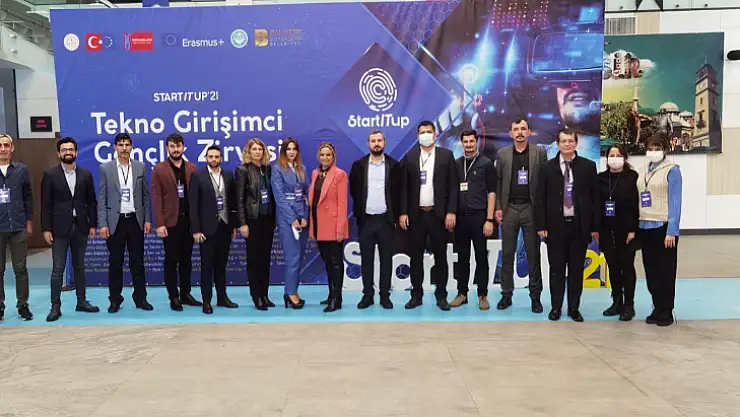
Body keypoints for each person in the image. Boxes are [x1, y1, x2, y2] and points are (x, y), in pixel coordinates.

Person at [536, 128, 599, 322]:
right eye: (563, 141)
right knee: (556, 269)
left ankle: (574, 308)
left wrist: (594, 227)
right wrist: (541, 225)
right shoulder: (547, 168)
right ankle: (556, 307)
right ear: (557, 144)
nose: (567, 144)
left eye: (570, 140)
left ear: (576, 142)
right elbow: (540, 198)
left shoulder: (588, 167)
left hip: (579, 227)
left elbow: (595, 199)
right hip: (555, 227)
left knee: (576, 270)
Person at [399, 120, 458, 311]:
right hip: (416, 215)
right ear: (418, 135)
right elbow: (404, 188)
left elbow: (453, 186)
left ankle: (441, 296)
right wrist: (403, 212)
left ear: (435, 134)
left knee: (441, 257)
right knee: (415, 257)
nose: (425, 134)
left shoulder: (446, 155)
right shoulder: (410, 157)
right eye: (422, 132)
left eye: (428, 131)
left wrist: (451, 211)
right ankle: (416, 296)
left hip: (438, 215)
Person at [41, 137, 99, 322]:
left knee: (80, 267)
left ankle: (81, 301)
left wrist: (93, 224)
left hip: (81, 227)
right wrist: (46, 228)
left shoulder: (85, 174)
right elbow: (45, 204)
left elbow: (92, 202)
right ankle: (55, 306)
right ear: (58, 153)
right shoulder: (50, 175)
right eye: (64, 150)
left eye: (71, 149)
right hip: (58, 228)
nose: (68, 152)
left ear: (76, 152)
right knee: (58, 269)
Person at [494, 119, 547, 313]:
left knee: (533, 254)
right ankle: (506, 294)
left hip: (530, 209)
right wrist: (498, 207)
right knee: (508, 253)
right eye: (516, 129)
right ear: (510, 133)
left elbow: (544, 183)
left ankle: (535, 297)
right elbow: (498, 182)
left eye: (523, 129)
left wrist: (542, 212)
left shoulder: (539, 153)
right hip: (509, 208)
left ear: (529, 132)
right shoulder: (502, 154)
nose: (520, 132)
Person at [98, 133, 152, 313]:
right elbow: (102, 197)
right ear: (115, 147)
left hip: (135, 220)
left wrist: (147, 219)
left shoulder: (140, 167)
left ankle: (141, 298)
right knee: (115, 263)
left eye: (127, 145)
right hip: (116, 221)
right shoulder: (105, 168)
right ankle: (115, 300)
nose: (124, 148)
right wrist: (103, 224)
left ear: (131, 147)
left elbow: (146, 196)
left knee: (138, 262)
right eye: (120, 145)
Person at [349, 129, 400, 310]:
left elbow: (398, 192)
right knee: (367, 260)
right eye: (373, 141)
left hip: (386, 221)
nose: (376, 144)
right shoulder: (359, 166)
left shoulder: (394, 165)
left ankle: (385, 295)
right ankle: (368, 295)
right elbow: (354, 191)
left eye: (379, 140)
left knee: (387, 260)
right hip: (366, 221)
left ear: (384, 142)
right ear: (368, 144)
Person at [151, 133, 201, 312]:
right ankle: (173, 296)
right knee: (171, 260)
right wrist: (160, 223)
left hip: (188, 222)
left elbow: (197, 197)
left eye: (178, 146)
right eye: (172, 146)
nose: (176, 149)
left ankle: (185, 294)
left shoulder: (192, 168)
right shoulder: (159, 169)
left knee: (187, 260)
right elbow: (157, 198)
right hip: (170, 222)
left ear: (183, 147)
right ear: (167, 148)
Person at [638, 135, 682, 327]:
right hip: (644, 225)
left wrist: (672, 230)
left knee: (666, 270)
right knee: (651, 270)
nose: (654, 151)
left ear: (665, 150)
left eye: (658, 148)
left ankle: (667, 309)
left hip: (663, 228)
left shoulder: (672, 170)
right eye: (651, 147)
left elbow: (675, 201)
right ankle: (656, 306)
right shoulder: (643, 170)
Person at [190, 145, 239, 314]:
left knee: (221, 265)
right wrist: (196, 230)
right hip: (206, 229)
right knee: (207, 266)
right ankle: (206, 301)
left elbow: (232, 203)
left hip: (225, 227)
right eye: (210, 156)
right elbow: (193, 205)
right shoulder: (198, 176)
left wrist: (233, 226)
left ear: (221, 158)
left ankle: (222, 298)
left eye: (216, 156)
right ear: (206, 158)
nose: (213, 159)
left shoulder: (228, 175)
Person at [451, 129, 496, 310]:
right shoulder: (456, 164)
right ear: (461, 143)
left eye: (471, 141)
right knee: (462, 258)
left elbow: (492, 192)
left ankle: (483, 295)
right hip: (461, 218)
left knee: (481, 258)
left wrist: (489, 219)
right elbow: (452, 191)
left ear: (476, 142)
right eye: (466, 141)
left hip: (479, 217)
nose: (469, 145)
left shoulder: (486, 163)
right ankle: (462, 294)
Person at [598, 144, 639, 321]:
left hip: (627, 230)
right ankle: (616, 301)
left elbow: (637, 204)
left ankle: (629, 304)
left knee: (627, 267)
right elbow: (596, 205)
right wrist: (596, 229)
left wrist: (633, 229)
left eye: (618, 155)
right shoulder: (600, 178)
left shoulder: (633, 177)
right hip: (607, 230)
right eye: (611, 155)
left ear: (624, 157)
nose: (614, 158)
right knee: (613, 267)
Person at [236, 138, 277, 311]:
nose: (258, 152)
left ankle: (265, 294)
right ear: (249, 152)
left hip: (268, 219)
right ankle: (256, 296)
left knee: (265, 259)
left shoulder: (268, 169)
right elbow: (239, 199)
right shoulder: (243, 170)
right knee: (254, 259)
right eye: (254, 149)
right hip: (252, 220)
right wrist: (242, 223)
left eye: (260, 149)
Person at [308, 142, 348, 313]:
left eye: (328, 155)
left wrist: (340, 228)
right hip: (319, 224)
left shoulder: (340, 174)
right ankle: (332, 293)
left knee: (336, 262)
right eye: (322, 155)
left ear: (333, 157)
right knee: (327, 262)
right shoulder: (315, 173)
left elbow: (342, 203)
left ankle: (336, 298)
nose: (325, 157)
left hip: (333, 224)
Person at [271, 138, 308, 309]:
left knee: (299, 257)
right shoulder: (277, 169)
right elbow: (279, 198)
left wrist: (305, 216)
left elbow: (306, 194)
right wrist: (292, 218)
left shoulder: (302, 169)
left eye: (294, 149)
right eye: (288, 149)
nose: (291, 152)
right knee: (292, 257)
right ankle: (290, 292)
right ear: (283, 151)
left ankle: (292, 290)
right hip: (287, 219)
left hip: (302, 217)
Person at [0, 134, 33, 321]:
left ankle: (23, 305)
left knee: (20, 269)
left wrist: (29, 221)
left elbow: (28, 197)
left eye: (6, 145)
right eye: (0, 146)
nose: (3, 149)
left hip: (18, 225)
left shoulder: (21, 170)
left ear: (12, 148)